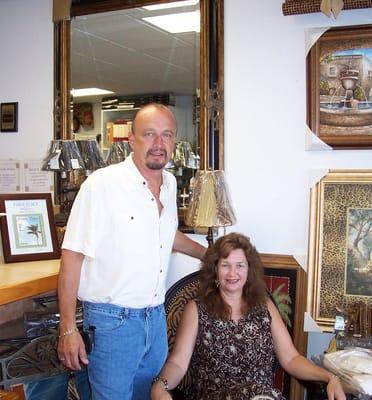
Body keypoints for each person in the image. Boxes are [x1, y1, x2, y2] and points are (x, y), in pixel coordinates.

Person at [57, 103, 206, 400]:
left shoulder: (169, 183)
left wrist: (209, 255)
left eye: (167, 135)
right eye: (149, 134)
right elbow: (72, 257)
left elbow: (165, 234)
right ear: (131, 140)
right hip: (112, 324)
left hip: (155, 319)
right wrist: (68, 329)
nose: (159, 143)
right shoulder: (102, 184)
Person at [150, 233, 346, 400]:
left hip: (262, 396)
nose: (232, 273)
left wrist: (329, 377)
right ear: (215, 269)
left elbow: (291, 358)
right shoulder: (196, 309)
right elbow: (177, 363)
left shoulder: (264, 306)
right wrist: (161, 385)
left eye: (240, 266)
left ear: (249, 269)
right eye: (225, 265)